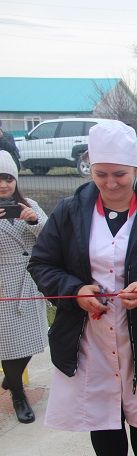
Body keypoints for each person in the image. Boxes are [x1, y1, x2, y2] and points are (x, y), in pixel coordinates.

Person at [28, 121, 137, 456]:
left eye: (120, 174)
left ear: (136, 168)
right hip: (92, 339)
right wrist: (74, 291)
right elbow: (42, 263)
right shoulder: (69, 213)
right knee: (103, 417)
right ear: (90, 168)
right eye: (101, 174)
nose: (111, 183)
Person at [0, 150, 47, 424]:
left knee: (33, 341)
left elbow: (51, 235)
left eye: (8, 178)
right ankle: (18, 394)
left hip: (30, 281)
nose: (4, 184)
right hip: (4, 285)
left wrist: (32, 220)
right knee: (10, 345)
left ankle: (12, 379)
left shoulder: (29, 204)